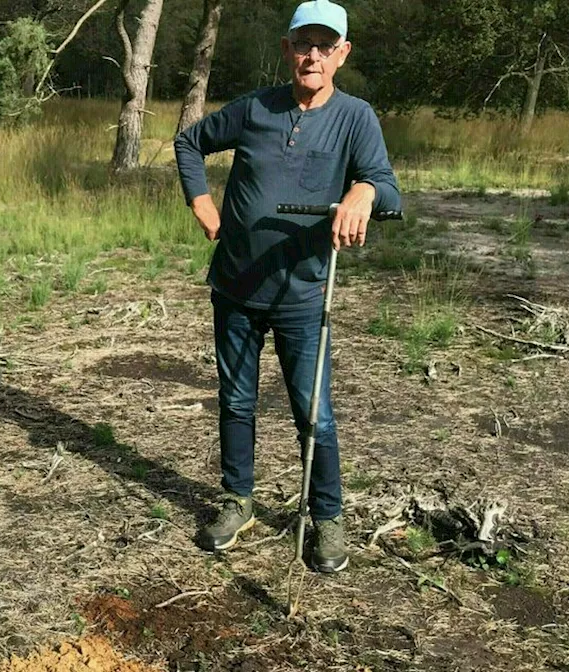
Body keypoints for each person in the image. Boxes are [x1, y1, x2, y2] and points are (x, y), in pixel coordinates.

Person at [172, 0, 400, 572]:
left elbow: (389, 192)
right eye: (304, 44)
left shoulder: (356, 118)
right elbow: (188, 143)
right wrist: (201, 199)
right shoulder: (254, 109)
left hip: (304, 293)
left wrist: (363, 193)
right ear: (287, 49)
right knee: (236, 399)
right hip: (235, 286)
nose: (313, 56)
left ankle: (326, 517)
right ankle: (237, 500)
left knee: (312, 410)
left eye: (326, 46)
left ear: (342, 54)